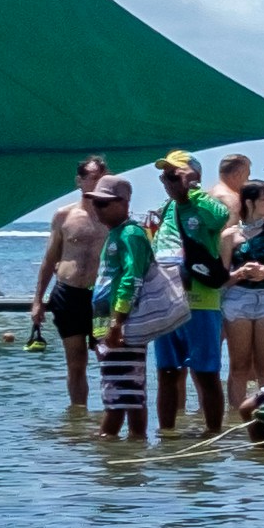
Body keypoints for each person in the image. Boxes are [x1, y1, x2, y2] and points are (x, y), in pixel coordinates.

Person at [146, 149, 235, 439]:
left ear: (192, 175)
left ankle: (212, 434)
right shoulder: (166, 208)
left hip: (201, 303)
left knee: (206, 372)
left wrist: (190, 191)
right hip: (167, 301)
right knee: (167, 372)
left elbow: (222, 217)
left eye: (173, 174)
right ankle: (167, 435)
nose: (167, 180)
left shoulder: (204, 203)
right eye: (164, 175)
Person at [90, 175, 164, 440]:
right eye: (95, 203)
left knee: (123, 393)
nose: (97, 209)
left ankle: (117, 448)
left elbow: (133, 278)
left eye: (103, 204)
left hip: (122, 325)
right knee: (120, 391)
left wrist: (116, 322)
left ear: (124, 203)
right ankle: (131, 444)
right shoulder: (116, 234)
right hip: (107, 324)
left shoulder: (131, 234)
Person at [34, 156, 111, 410]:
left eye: (102, 176)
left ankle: (110, 412)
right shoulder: (64, 215)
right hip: (68, 294)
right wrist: (38, 301)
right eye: (92, 177)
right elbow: (49, 259)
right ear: (79, 180)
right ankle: (78, 416)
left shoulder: (113, 216)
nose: (98, 182)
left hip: (100, 297)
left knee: (107, 357)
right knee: (76, 360)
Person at [219, 172, 264, 399]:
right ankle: (235, 420)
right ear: (249, 202)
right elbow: (220, 278)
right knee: (239, 367)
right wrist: (239, 274)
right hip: (237, 297)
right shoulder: (230, 236)